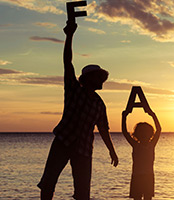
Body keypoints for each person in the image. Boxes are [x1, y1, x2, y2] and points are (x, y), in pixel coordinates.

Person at [37, 21, 119, 200]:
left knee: (83, 192)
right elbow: (68, 62)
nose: (102, 81)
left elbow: (104, 129)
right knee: (49, 183)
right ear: (89, 79)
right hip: (63, 141)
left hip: (84, 149)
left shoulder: (99, 104)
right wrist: (69, 35)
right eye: (99, 77)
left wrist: (112, 151)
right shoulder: (74, 89)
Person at [121, 109, 161, 200]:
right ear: (137, 134)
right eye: (142, 133)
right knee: (137, 198)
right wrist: (124, 117)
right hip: (137, 176)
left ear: (150, 134)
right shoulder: (136, 145)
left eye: (146, 133)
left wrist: (153, 115)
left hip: (148, 176)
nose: (144, 135)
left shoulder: (151, 145)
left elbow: (159, 130)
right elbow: (124, 132)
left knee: (148, 198)